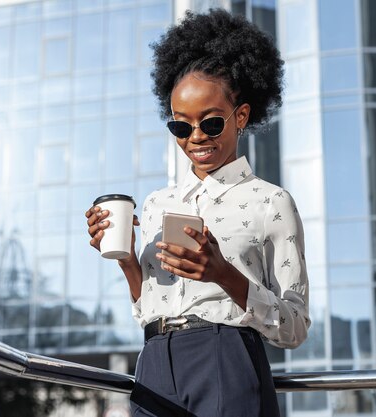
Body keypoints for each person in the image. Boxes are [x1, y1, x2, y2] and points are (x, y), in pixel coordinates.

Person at [86, 8, 310, 417]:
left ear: (241, 116)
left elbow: (294, 326)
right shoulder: (156, 203)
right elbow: (149, 305)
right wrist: (127, 260)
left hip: (225, 358)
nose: (195, 138)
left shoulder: (270, 201)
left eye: (210, 123)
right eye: (180, 126)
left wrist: (222, 273)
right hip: (153, 360)